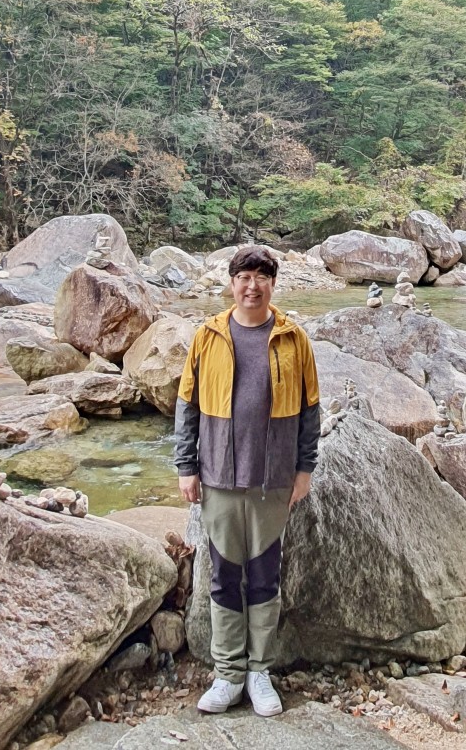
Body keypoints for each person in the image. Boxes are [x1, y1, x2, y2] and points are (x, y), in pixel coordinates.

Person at [174, 245, 320, 717]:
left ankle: (259, 672)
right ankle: (227, 673)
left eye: (261, 276)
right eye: (243, 276)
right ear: (231, 282)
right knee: (223, 578)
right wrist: (186, 467)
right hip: (217, 476)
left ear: (273, 284)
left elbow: (310, 413)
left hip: (272, 480)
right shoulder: (208, 337)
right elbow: (187, 406)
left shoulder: (294, 339)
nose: (251, 285)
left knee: (263, 578)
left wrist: (303, 470)